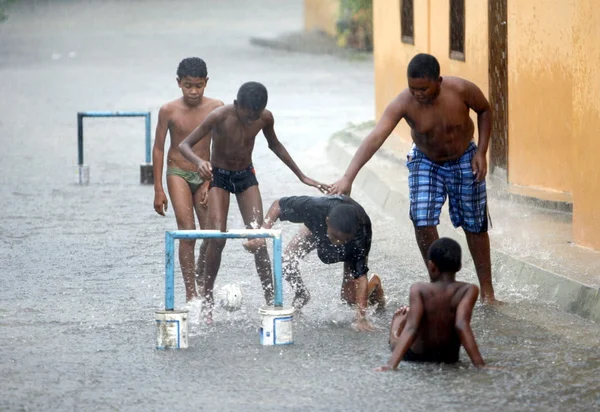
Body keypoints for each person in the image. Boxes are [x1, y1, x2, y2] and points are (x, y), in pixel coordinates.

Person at [329, 53, 496, 303]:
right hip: (426, 161)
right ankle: (439, 286)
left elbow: (485, 110)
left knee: (475, 223)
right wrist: (348, 177)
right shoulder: (403, 103)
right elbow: (376, 137)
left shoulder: (461, 89)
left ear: (438, 81)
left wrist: (481, 151)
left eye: (424, 89)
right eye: (412, 88)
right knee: (421, 217)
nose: (417, 94)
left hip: (464, 157)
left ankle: (487, 291)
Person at [179, 81, 328, 323]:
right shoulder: (219, 116)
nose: (250, 121)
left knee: (259, 237)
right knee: (218, 237)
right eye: (247, 116)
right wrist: (199, 162)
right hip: (220, 177)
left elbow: (275, 145)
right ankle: (207, 301)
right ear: (237, 105)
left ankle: (271, 299)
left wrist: (301, 175)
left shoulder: (265, 118)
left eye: (255, 117)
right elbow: (184, 145)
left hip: (246, 176)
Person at [244, 195, 385, 331]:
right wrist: (262, 235)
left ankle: (374, 284)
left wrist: (361, 318)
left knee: (348, 297)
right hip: (316, 228)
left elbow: (360, 277)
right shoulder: (315, 207)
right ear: (327, 221)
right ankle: (301, 294)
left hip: (354, 234)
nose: (337, 243)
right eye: (335, 237)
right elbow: (278, 205)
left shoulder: (357, 239)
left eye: (343, 240)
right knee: (286, 262)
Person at [152, 57, 223, 303]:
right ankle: (191, 294)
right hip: (178, 173)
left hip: (206, 174)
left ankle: (204, 283)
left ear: (206, 83)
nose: (193, 91)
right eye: (188, 85)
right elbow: (159, 148)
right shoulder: (168, 110)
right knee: (187, 231)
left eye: (199, 85)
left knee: (211, 234)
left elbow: (221, 148)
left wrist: (208, 182)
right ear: (178, 83)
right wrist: (158, 188)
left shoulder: (216, 107)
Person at [376, 237, 485, 371]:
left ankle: (394, 331)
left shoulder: (419, 289)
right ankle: (396, 332)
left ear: (431, 266)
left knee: (396, 341)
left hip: (416, 356)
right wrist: (480, 365)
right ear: (459, 266)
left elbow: (412, 327)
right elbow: (461, 324)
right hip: (449, 358)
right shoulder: (469, 290)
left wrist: (391, 365)